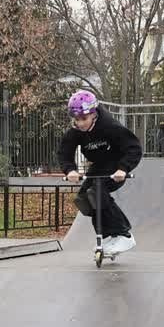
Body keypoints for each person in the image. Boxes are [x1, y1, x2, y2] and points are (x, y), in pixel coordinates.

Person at [59, 89, 144, 256]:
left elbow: (134, 147)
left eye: (84, 119)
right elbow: (64, 153)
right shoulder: (75, 131)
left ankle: (124, 235)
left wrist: (123, 168)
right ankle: (107, 236)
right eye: (77, 120)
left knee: (97, 192)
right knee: (84, 199)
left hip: (116, 164)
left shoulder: (109, 126)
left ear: (93, 114)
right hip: (99, 165)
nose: (80, 124)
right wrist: (69, 170)